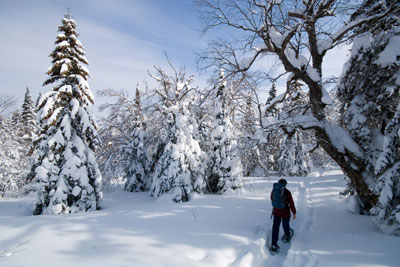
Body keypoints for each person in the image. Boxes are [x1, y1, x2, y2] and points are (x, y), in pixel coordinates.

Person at [270, 178, 296, 252]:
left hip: (276, 212)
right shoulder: (287, 192)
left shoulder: (274, 190)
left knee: (275, 227)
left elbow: (271, 198)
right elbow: (291, 203)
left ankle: (274, 244)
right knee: (285, 224)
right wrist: (294, 212)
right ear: (285, 184)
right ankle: (287, 235)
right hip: (285, 212)